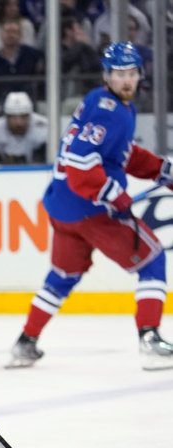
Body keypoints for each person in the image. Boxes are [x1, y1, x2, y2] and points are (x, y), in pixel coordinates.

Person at [9, 42, 173, 371]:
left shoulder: (105, 104)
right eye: (118, 74)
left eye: (131, 73)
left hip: (64, 209)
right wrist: (113, 193)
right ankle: (150, 339)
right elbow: (80, 163)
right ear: (106, 75)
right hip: (91, 209)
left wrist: (160, 170)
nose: (125, 80)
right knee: (152, 260)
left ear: (139, 74)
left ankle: (25, 342)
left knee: (62, 276)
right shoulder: (108, 110)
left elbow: (119, 155)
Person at [0, 91, 47, 164]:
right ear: (6, 117)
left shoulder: (44, 129)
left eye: (23, 116)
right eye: (14, 117)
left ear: (30, 116)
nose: (19, 123)